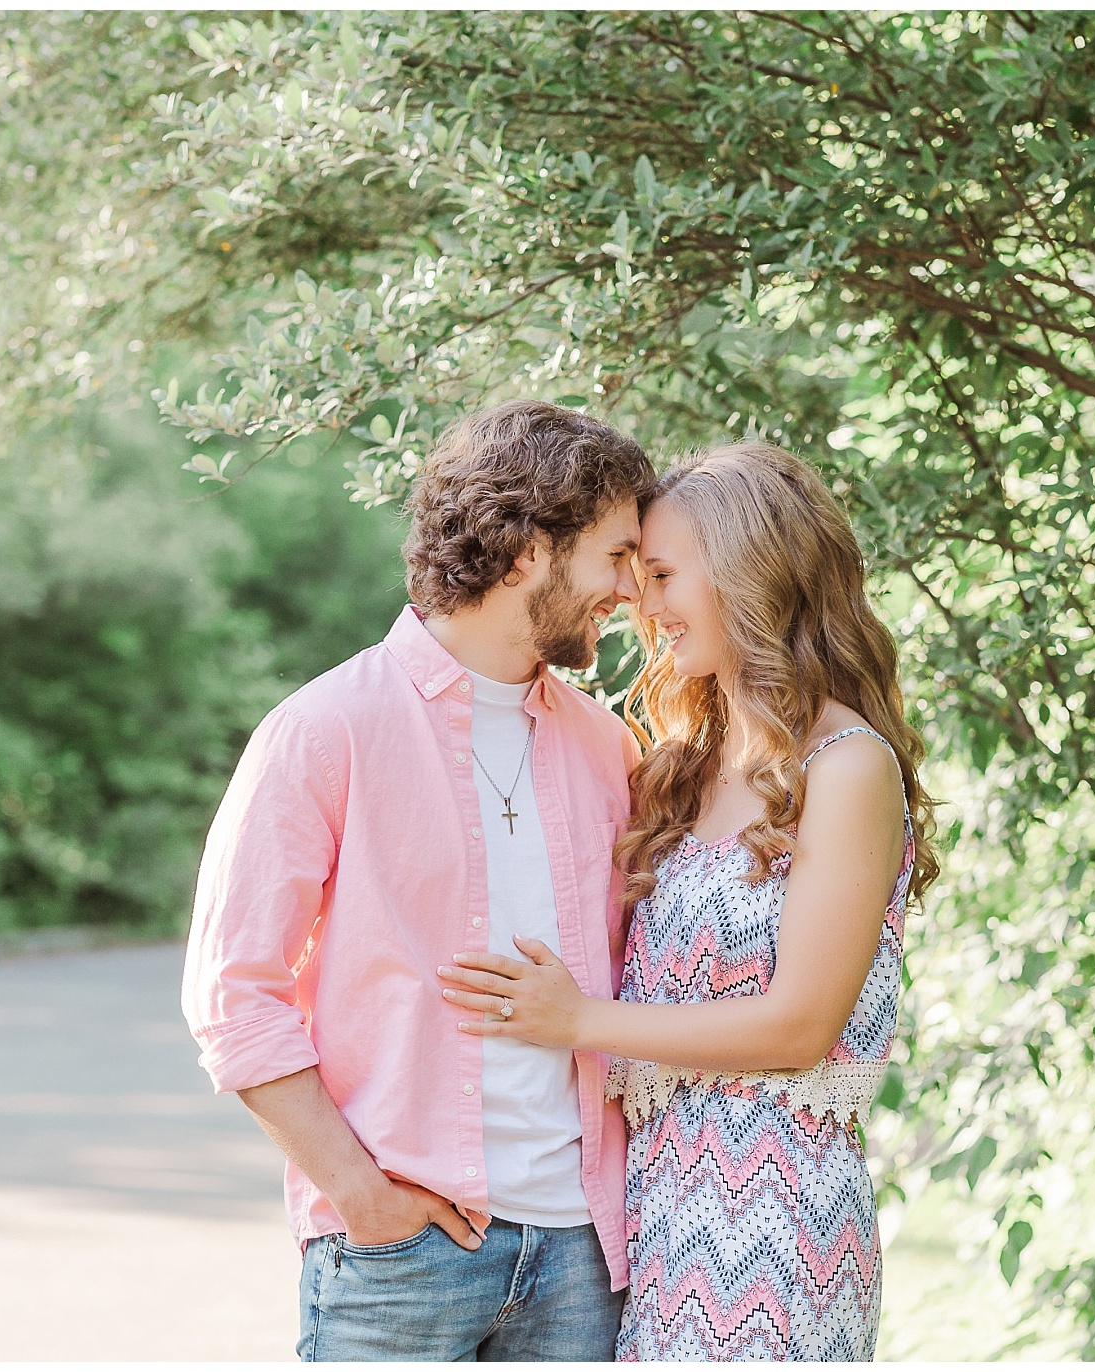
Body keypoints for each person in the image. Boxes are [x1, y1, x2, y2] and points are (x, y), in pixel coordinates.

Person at [438, 441, 940, 1361]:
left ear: (751, 570)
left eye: (662, 573)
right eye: (633, 572)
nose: (640, 601)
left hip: (775, 1220)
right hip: (654, 1214)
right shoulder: (686, 764)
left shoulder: (848, 767)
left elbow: (800, 1026)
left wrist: (581, 1020)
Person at [182, 400, 657, 1361]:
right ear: (529, 547)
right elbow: (234, 996)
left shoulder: (609, 747)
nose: (630, 590)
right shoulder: (324, 731)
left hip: (584, 1255)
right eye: (614, 557)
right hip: (401, 1260)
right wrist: (357, 1193)